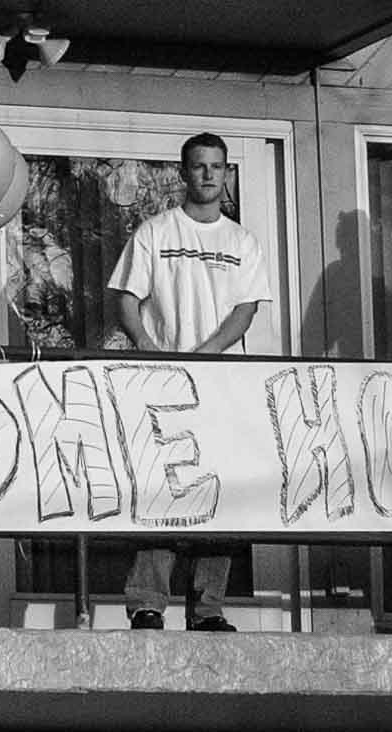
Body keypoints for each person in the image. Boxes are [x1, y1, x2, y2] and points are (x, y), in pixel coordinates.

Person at [107, 132, 272, 632]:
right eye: (199, 166)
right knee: (161, 492)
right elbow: (127, 299)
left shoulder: (241, 241)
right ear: (183, 173)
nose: (208, 175)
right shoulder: (155, 232)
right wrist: (152, 352)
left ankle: (207, 609)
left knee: (217, 495)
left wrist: (206, 354)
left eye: (217, 167)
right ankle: (147, 602)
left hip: (220, 388)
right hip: (161, 389)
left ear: (226, 174)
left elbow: (245, 310)